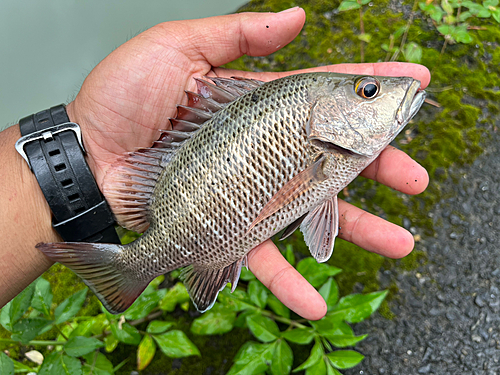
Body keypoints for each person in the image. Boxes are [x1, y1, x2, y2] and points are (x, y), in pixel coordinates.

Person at [0, 7, 430, 320]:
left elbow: (312, 198)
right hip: (182, 220)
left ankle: (129, 270)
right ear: (326, 112)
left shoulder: (329, 149)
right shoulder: (319, 138)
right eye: (368, 91)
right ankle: (130, 269)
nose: (392, 90)